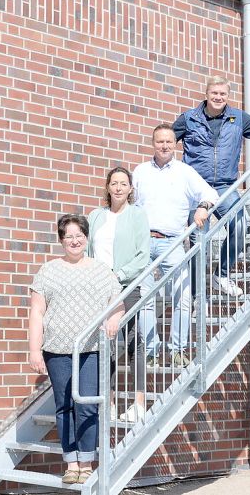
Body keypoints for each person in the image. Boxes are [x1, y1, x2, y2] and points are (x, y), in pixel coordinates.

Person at [28, 214, 124, 484]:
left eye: (79, 234)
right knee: (65, 406)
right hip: (57, 351)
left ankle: (86, 462)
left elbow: (117, 304)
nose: (74, 240)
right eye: (68, 236)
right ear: (61, 240)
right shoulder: (48, 270)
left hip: (91, 350)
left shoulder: (100, 269)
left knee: (87, 406)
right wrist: (35, 350)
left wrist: (113, 320)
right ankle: (70, 463)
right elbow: (36, 312)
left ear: (86, 237)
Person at [173, 75, 250, 297]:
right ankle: (193, 296)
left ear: (227, 96)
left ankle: (220, 274)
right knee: (197, 241)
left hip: (225, 187)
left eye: (223, 94)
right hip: (196, 188)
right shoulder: (188, 118)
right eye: (214, 93)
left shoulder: (237, 118)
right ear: (206, 94)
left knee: (240, 226)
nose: (218, 97)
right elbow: (165, 141)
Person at [133, 125, 218, 367]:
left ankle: (178, 349)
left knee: (182, 298)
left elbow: (210, 193)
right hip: (143, 243)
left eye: (169, 141)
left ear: (175, 144)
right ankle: (151, 352)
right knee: (145, 299)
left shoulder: (184, 172)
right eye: (160, 141)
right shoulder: (140, 172)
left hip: (172, 243)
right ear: (153, 143)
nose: (165, 145)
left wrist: (202, 207)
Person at [86, 167, 150, 423]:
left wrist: (118, 273)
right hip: (100, 288)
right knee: (107, 345)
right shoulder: (95, 216)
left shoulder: (137, 215)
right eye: (114, 183)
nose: (119, 187)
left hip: (126, 286)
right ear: (108, 187)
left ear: (130, 189)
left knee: (134, 341)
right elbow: (89, 252)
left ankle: (139, 403)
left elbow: (143, 255)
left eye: (124, 183)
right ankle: (110, 401)